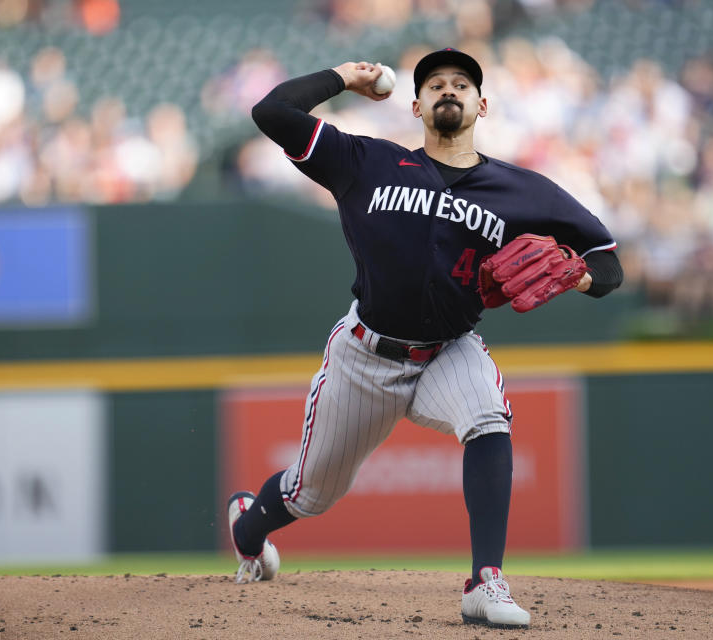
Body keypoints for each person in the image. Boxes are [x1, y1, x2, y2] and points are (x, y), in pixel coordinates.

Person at [227, 48, 624, 629]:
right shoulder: (366, 162)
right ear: (415, 105)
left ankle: (485, 582)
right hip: (365, 353)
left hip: (450, 347)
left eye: (462, 83)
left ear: (481, 105)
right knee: (311, 493)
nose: (448, 89)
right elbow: (272, 112)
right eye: (435, 83)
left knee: (489, 418)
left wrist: (580, 274)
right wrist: (345, 77)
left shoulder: (524, 192)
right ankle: (247, 528)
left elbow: (607, 261)